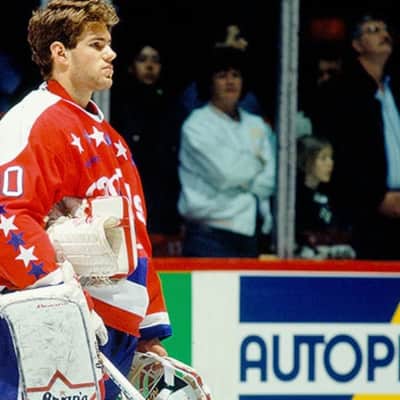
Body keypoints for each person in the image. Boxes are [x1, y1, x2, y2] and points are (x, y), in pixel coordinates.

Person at [0, 1, 171, 399]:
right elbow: (8, 214)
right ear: (60, 53)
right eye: (96, 44)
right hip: (52, 323)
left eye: (108, 44)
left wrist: (147, 330)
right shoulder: (32, 121)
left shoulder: (111, 139)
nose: (111, 54)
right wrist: (60, 298)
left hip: (114, 330)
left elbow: (135, 236)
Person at [313, 12, 400, 260]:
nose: (383, 35)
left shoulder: (393, 89)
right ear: (357, 45)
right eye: (373, 30)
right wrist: (376, 198)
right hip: (368, 215)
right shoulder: (343, 92)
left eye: (385, 29)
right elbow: (345, 155)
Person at [178, 46, 276, 257]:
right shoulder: (197, 125)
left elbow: (269, 180)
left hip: (251, 232)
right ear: (209, 82)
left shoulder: (257, 124)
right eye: (222, 76)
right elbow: (226, 174)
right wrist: (256, 163)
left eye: (236, 75)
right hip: (208, 236)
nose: (230, 81)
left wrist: (240, 171)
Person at [111, 40, 182, 247]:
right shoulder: (116, 105)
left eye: (155, 60)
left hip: (162, 196)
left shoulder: (171, 105)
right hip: (128, 188)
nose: (150, 66)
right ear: (131, 66)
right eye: (142, 60)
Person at [295, 135, 355, 259]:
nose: (330, 163)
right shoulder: (297, 198)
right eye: (323, 158)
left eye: (331, 158)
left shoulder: (331, 195)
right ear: (305, 161)